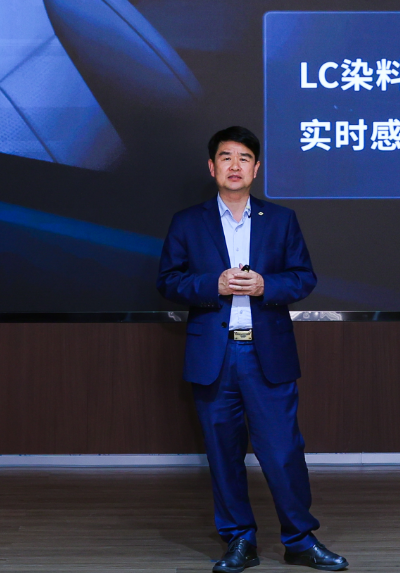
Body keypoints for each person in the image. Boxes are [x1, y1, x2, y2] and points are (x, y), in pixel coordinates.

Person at [157, 126, 348, 572]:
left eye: (244, 158)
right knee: (223, 453)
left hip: (266, 355)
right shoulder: (188, 222)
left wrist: (265, 285)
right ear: (212, 167)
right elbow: (168, 281)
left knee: (282, 452)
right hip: (215, 355)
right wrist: (214, 284)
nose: (235, 165)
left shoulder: (280, 219)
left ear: (256, 168)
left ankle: (300, 539)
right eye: (226, 157)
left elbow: (303, 277)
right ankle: (239, 540)